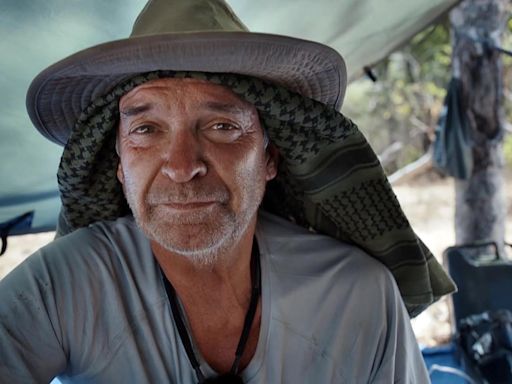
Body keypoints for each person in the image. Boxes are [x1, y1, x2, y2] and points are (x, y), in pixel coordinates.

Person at [0, 0, 456, 382]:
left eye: (222, 127)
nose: (182, 167)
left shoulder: (358, 296)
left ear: (269, 158)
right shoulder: (63, 285)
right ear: (119, 164)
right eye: (146, 129)